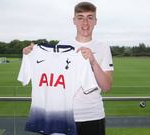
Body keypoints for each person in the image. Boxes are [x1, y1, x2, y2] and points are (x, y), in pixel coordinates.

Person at [23, 2, 113, 135]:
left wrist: (93, 62)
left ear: (95, 21)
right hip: (62, 116)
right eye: (80, 17)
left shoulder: (103, 47)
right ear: (74, 21)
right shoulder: (62, 45)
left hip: (93, 116)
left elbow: (106, 87)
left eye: (90, 17)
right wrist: (30, 56)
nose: (85, 23)